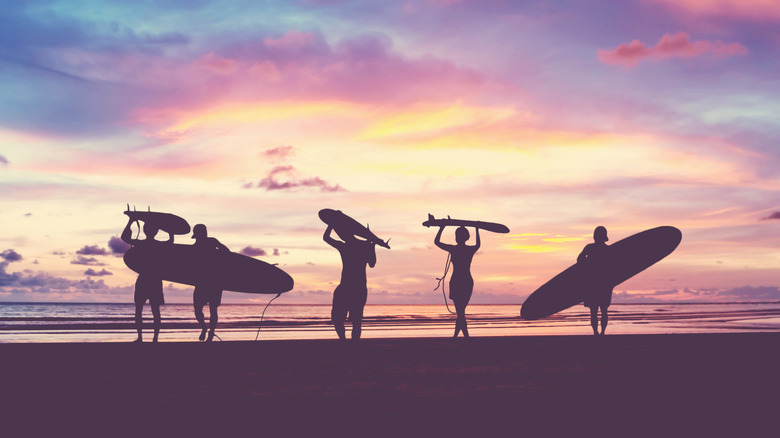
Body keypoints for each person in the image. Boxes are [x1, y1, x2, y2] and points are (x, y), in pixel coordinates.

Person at [121, 218, 173, 343]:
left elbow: (125, 237)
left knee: (140, 311)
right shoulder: (159, 245)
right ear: (155, 232)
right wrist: (169, 228)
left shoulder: (141, 244)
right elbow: (171, 240)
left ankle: (141, 338)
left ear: (145, 230)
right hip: (154, 280)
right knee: (154, 311)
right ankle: (154, 338)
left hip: (145, 279)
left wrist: (131, 221)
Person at [323, 225, 376, 340]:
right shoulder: (363, 246)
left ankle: (345, 342)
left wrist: (331, 224)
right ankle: (349, 344)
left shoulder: (345, 246)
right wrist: (372, 246)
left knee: (348, 320)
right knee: (353, 321)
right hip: (357, 288)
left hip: (350, 288)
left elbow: (326, 238)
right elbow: (372, 263)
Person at [434, 226, 480, 338]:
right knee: (461, 311)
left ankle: (460, 336)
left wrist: (442, 227)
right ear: (467, 237)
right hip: (465, 281)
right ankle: (461, 336)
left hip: (458, 281)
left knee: (460, 311)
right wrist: (477, 229)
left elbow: (436, 242)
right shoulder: (469, 249)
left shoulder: (453, 249)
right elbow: (478, 244)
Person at [191, 224, 229, 342]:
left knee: (213, 309)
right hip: (201, 282)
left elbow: (227, 252)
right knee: (197, 309)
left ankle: (211, 333)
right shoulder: (193, 248)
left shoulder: (213, 242)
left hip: (215, 281)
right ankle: (204, 328)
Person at [577, 226, 613, 335]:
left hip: (593, 283)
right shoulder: (608, 250)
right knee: (603, 311)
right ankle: (601, 333)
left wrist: (588, 264)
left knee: (594, 311)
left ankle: (596, 333)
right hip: (604, 284)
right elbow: (613, 267)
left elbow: (580, 260)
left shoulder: (590, 248)